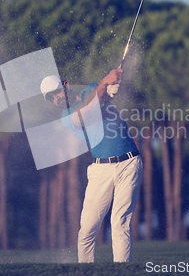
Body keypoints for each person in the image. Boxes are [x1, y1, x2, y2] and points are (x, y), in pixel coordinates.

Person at [40, 68, 143, 263]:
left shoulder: (91, 89)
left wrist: (111, 85)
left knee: (119, 223)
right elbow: (87, 111)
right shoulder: (67, 116)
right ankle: (85, 270)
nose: (56, 99)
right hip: (100, 170)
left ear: (66, 85)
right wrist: (105, 82)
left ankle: (121, 271)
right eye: (51, 98)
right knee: (87, 229)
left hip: (129, 164)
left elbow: (103, 96)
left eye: (56, 92)